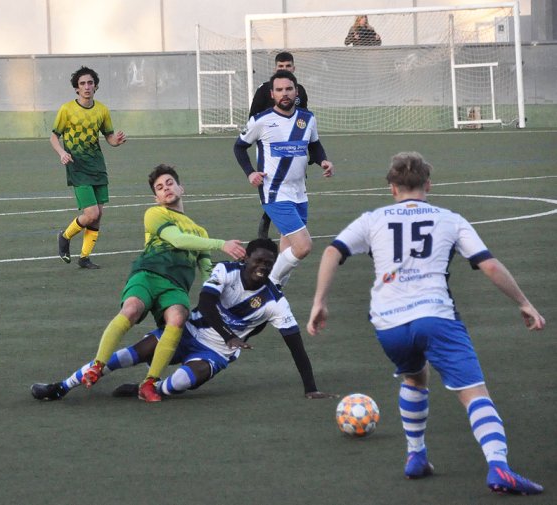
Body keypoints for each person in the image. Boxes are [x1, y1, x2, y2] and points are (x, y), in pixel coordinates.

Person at [307, 152, 545, 495]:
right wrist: (524, 302)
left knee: (415, 376)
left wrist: (319, 302)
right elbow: (489, 265)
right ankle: (499, 467)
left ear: (392, 188)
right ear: (428, 185)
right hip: (435, 316)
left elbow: (332, 251)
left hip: (388, 323)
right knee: (474, 393)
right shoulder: (450, 219)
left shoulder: (372, 219)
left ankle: (416, 455)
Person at [32, 239, 335, 401]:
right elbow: (205, 301)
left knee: (181, 383)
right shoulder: (225, 271)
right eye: (258, 261)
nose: (262, 267)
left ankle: (146, 389)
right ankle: (62, 386)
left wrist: (310, 387)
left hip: (216, 352)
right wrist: (229, 333)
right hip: (187, 332)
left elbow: (295, 345)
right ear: (245, 259)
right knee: (125, 356)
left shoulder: (276, 302)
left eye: (268, 264)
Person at [79, 164, 247, 402]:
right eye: (159, 187)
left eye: (169, 183)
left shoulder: (201, 232)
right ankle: (97, 365)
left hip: (176, 286)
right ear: (156, 197)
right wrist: (222, 244)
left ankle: (150, 382)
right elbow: (177, 240)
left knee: (178, 319)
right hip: (148, 274)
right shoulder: (155, 213)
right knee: (132, 309)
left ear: (181, 188)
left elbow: (207, 270)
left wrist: (231, 284)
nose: (166, 189)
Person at [233, 70, 334, 288]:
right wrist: (250, 172)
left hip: (299, 192)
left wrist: (323, 160)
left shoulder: (308, 119)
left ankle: (274, 291)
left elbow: (314, 144)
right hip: (274, 192)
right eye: (279, 90)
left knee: (288, 250)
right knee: (303, 246)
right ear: (272, 94)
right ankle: (269, 285)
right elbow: (240, 147)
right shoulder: (261, 121)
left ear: (296, 92)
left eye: (288, 89)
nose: (284, 93)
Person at [50, 66, 127, 269]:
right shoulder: (67, 109)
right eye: (82, 83)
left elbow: (109, 137)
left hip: (97, 166)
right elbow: (54, 136)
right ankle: (64, 236)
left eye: (90, 82)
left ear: (96, 86)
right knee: (91, 213)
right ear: (76, 88)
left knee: (98, 216)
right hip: (77, 167)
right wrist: (62, 153)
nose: (87, 86)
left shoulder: (102, 110)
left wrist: (116, 141)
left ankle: (84, 258)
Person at [247, 52, 309, 240]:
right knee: (275, 186)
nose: (284, 69)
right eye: (280, 67)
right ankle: (269, 220)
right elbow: (252, 118)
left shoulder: (300, 92)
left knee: (292, 184)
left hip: (294, 148)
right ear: (275, 69)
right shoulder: (264, 90)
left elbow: (303, 121)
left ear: (294, 68)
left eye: (288, 66)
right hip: (271, 149)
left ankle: (287, 229)